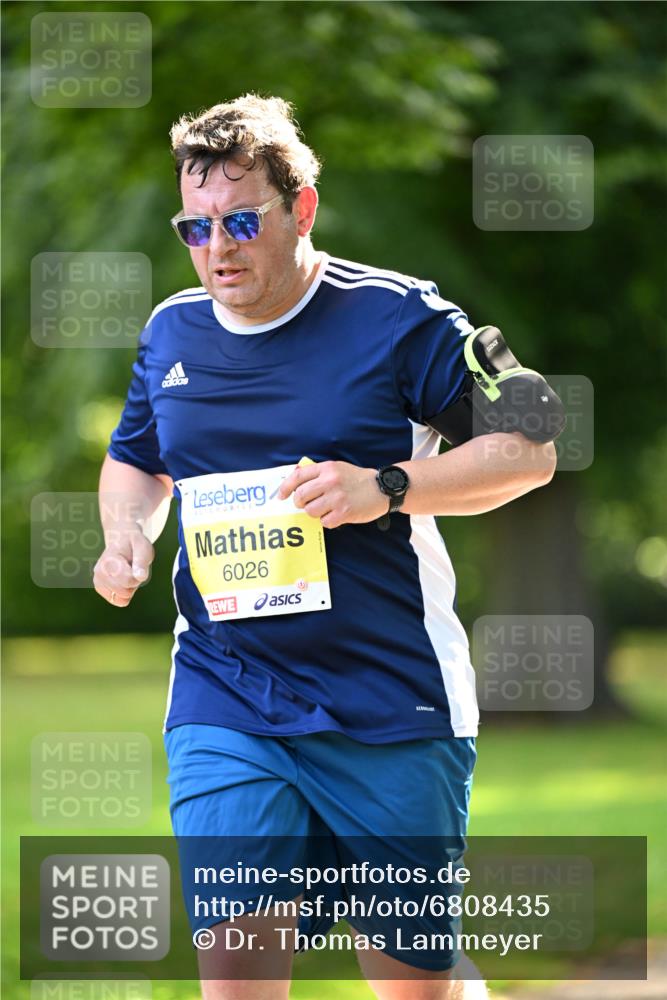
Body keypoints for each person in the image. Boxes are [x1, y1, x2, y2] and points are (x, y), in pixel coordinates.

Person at [94, 94, 558, 1000]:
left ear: (300, 208)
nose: (217, 247)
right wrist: (125, 538)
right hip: (227, 689)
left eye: (239, 220)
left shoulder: (397, 319)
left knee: (411, 983)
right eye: (195, 226)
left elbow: (527, 452)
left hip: (390, 694)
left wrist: (382, 485)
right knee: (234, 962)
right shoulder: (172, 331)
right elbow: (136, 464)